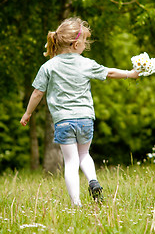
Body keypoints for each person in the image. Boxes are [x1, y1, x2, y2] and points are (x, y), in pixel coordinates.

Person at [20, 17, 139, 206]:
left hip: (63, 121)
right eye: (85, 42)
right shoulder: (86, 64)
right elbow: (110, 73)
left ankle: (76, 203)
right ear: (76, 44)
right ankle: (93, 180)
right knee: (85, 154)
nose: (86, 46)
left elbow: (37, 92)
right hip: (85, 120)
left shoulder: (48, 66)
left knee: (71, 161)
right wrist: (130, 74)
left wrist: (27, 114)